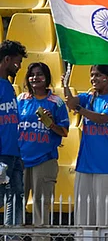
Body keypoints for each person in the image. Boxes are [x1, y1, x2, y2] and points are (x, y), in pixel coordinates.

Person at [63, 65, 108, 227]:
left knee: (106, 217)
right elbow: (71, 103)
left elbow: (103, 118)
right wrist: (65, 85)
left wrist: (79, 109)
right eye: (92, 75)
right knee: (83, 217)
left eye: (98, 75)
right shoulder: (88, 97)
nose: (94, 79)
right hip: (85, 164)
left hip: (106, 166)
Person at [17, 62, 69, 227]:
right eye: (32, 74)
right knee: (16, 206)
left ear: (46, 78)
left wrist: (51, 124)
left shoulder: (56, 102)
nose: (35, 78)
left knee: (41, 207)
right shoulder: (21, 99)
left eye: (39, 74)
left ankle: (41, 238)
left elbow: (65, 132)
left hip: (45, 160)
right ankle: (13, 238)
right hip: (21, 159)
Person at [0, 40, 26, 227]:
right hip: (2, 154)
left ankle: (13, 237)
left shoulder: (8, 86)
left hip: (14, 154)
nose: (19, 67)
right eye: (17, 63)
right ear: (7, 60)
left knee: (16, 199)